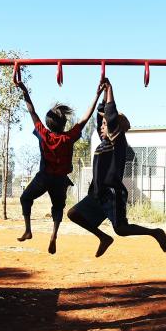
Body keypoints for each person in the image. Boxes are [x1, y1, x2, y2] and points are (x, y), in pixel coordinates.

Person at [67, 79, 166, 257]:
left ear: (116, 129)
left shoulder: (118, 142)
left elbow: (111, 115)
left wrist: (111, 90)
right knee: (74, 213)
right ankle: (103, 238)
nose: (101, 127)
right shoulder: (105, 142)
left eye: (105, 125)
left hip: (112, 193)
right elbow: (103, 114)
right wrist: (101, 93)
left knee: (121, 229)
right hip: (97, 193)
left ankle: (155, 232)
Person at [16, 80, 105, 254]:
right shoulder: (68, 137)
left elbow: (32, 111)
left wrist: (25, 90)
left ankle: (28, 230)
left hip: (44, 177)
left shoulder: (43, 134)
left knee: (25, 198)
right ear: (64, 124)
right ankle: (54, 234)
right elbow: (85, 118)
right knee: (58, 208)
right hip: (60, 180)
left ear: (49, 123)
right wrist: (97, 95)